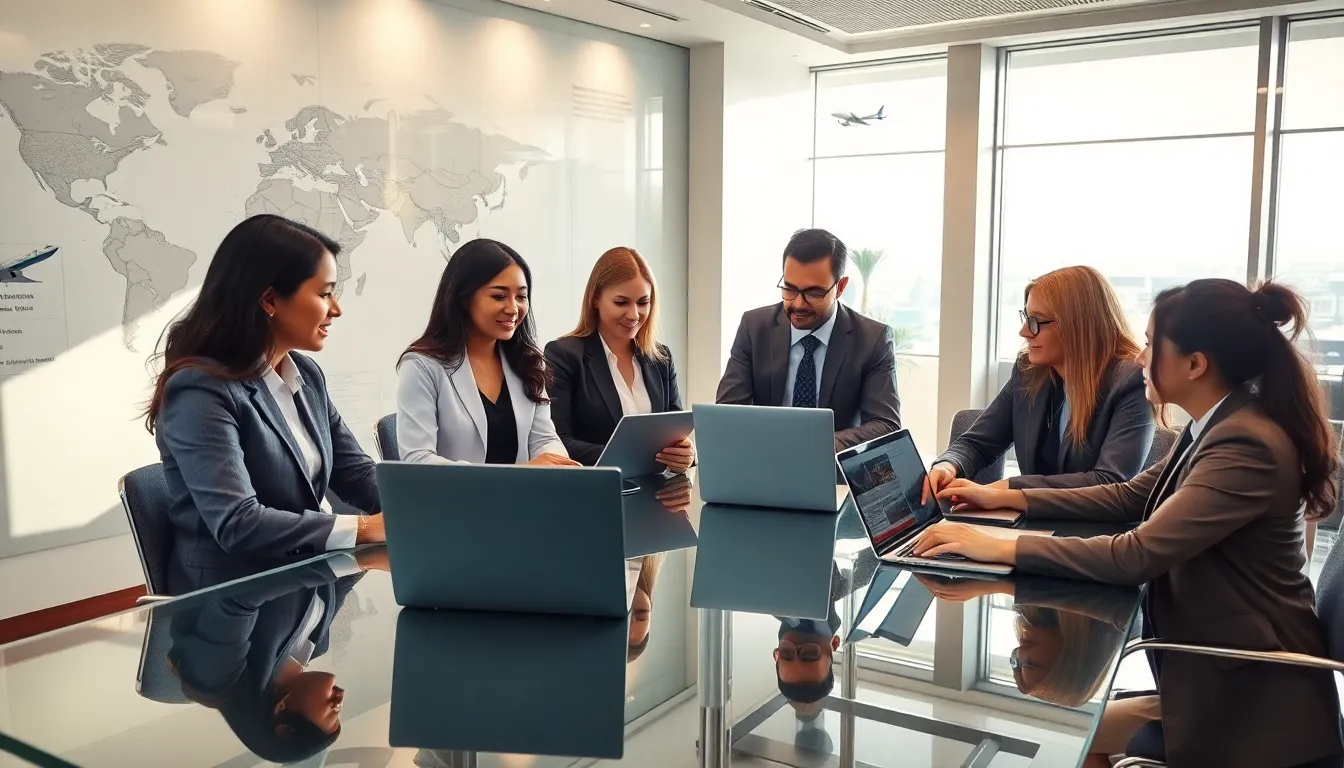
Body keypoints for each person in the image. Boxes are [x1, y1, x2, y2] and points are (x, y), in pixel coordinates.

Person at [914, 280, 1343, 768]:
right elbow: (1131, 494)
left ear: (1195, 364)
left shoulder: (1246, 444)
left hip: (1249, 692)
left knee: (1062, 736)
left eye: (1150, 343)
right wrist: (1005, 494)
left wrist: (994, 547)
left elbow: (1135, 555)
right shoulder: (1218, 424)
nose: (1140, 358)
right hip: (1211, 665)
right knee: (1071, 731)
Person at [148, 215, 384, 595]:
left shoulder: (306, 374)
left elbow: (354, 474)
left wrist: (429, 507)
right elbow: (237, 523)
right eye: (324, 294)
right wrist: (364, 528)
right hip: (230, 604)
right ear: (270, 299)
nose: (335, 309)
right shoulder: (199, 390)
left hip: (300, 583)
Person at [924, 266, 1153, 502]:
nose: (1024, 332)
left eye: (1036, 321)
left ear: (1078, 325)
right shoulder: (1029, 371)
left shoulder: (1132, 382)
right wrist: (947, 465)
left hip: (1095, 533)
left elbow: (1109, 482)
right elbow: (978, 443)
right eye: (1026, 318)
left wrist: (1008, 488)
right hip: (1032, 524)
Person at [396, 239, 579, 466]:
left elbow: (544, 439)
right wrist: (519, 475)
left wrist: (557, 464)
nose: (513, 308)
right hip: (456, 501)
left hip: (524, 500)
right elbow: (418, 459)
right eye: (499, 296)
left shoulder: (527, 362)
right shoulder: (422, 366)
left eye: (521, 297)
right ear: (464, 299)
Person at [716, 228, 901, 451]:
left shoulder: (873, 340)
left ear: (840, 287)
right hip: (763, 462)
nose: (798, 304)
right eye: (789, 289)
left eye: (814, 293)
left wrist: (814, 445)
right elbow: (728, 413)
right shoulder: (754, 327)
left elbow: (885, 425)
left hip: (832, 472)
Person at [544, 247, 692, 471]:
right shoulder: (563, 355)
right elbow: (559, 443)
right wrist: (635, 454)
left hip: (655, 496)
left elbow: (674, 434)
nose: (634, 314)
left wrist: (685, 454)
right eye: (621, 302)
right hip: (593, 492)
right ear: (596, 299)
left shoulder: (661, 359)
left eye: (643, 302)